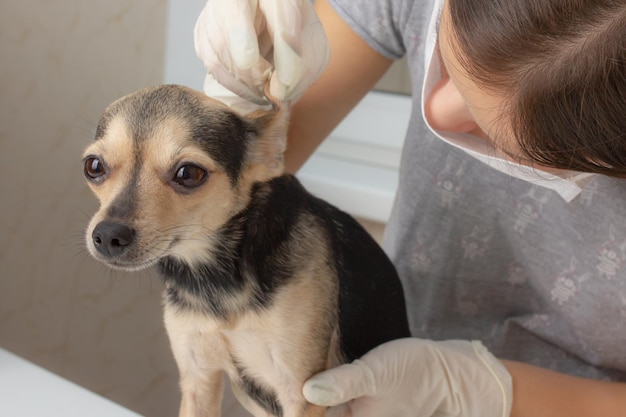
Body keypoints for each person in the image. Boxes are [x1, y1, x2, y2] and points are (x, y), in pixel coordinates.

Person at [194, 0, 626, 416]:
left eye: (492, 133)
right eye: (444, 55)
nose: (434, 112)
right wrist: (236, 103)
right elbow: (257, 170)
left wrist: (482, 393)